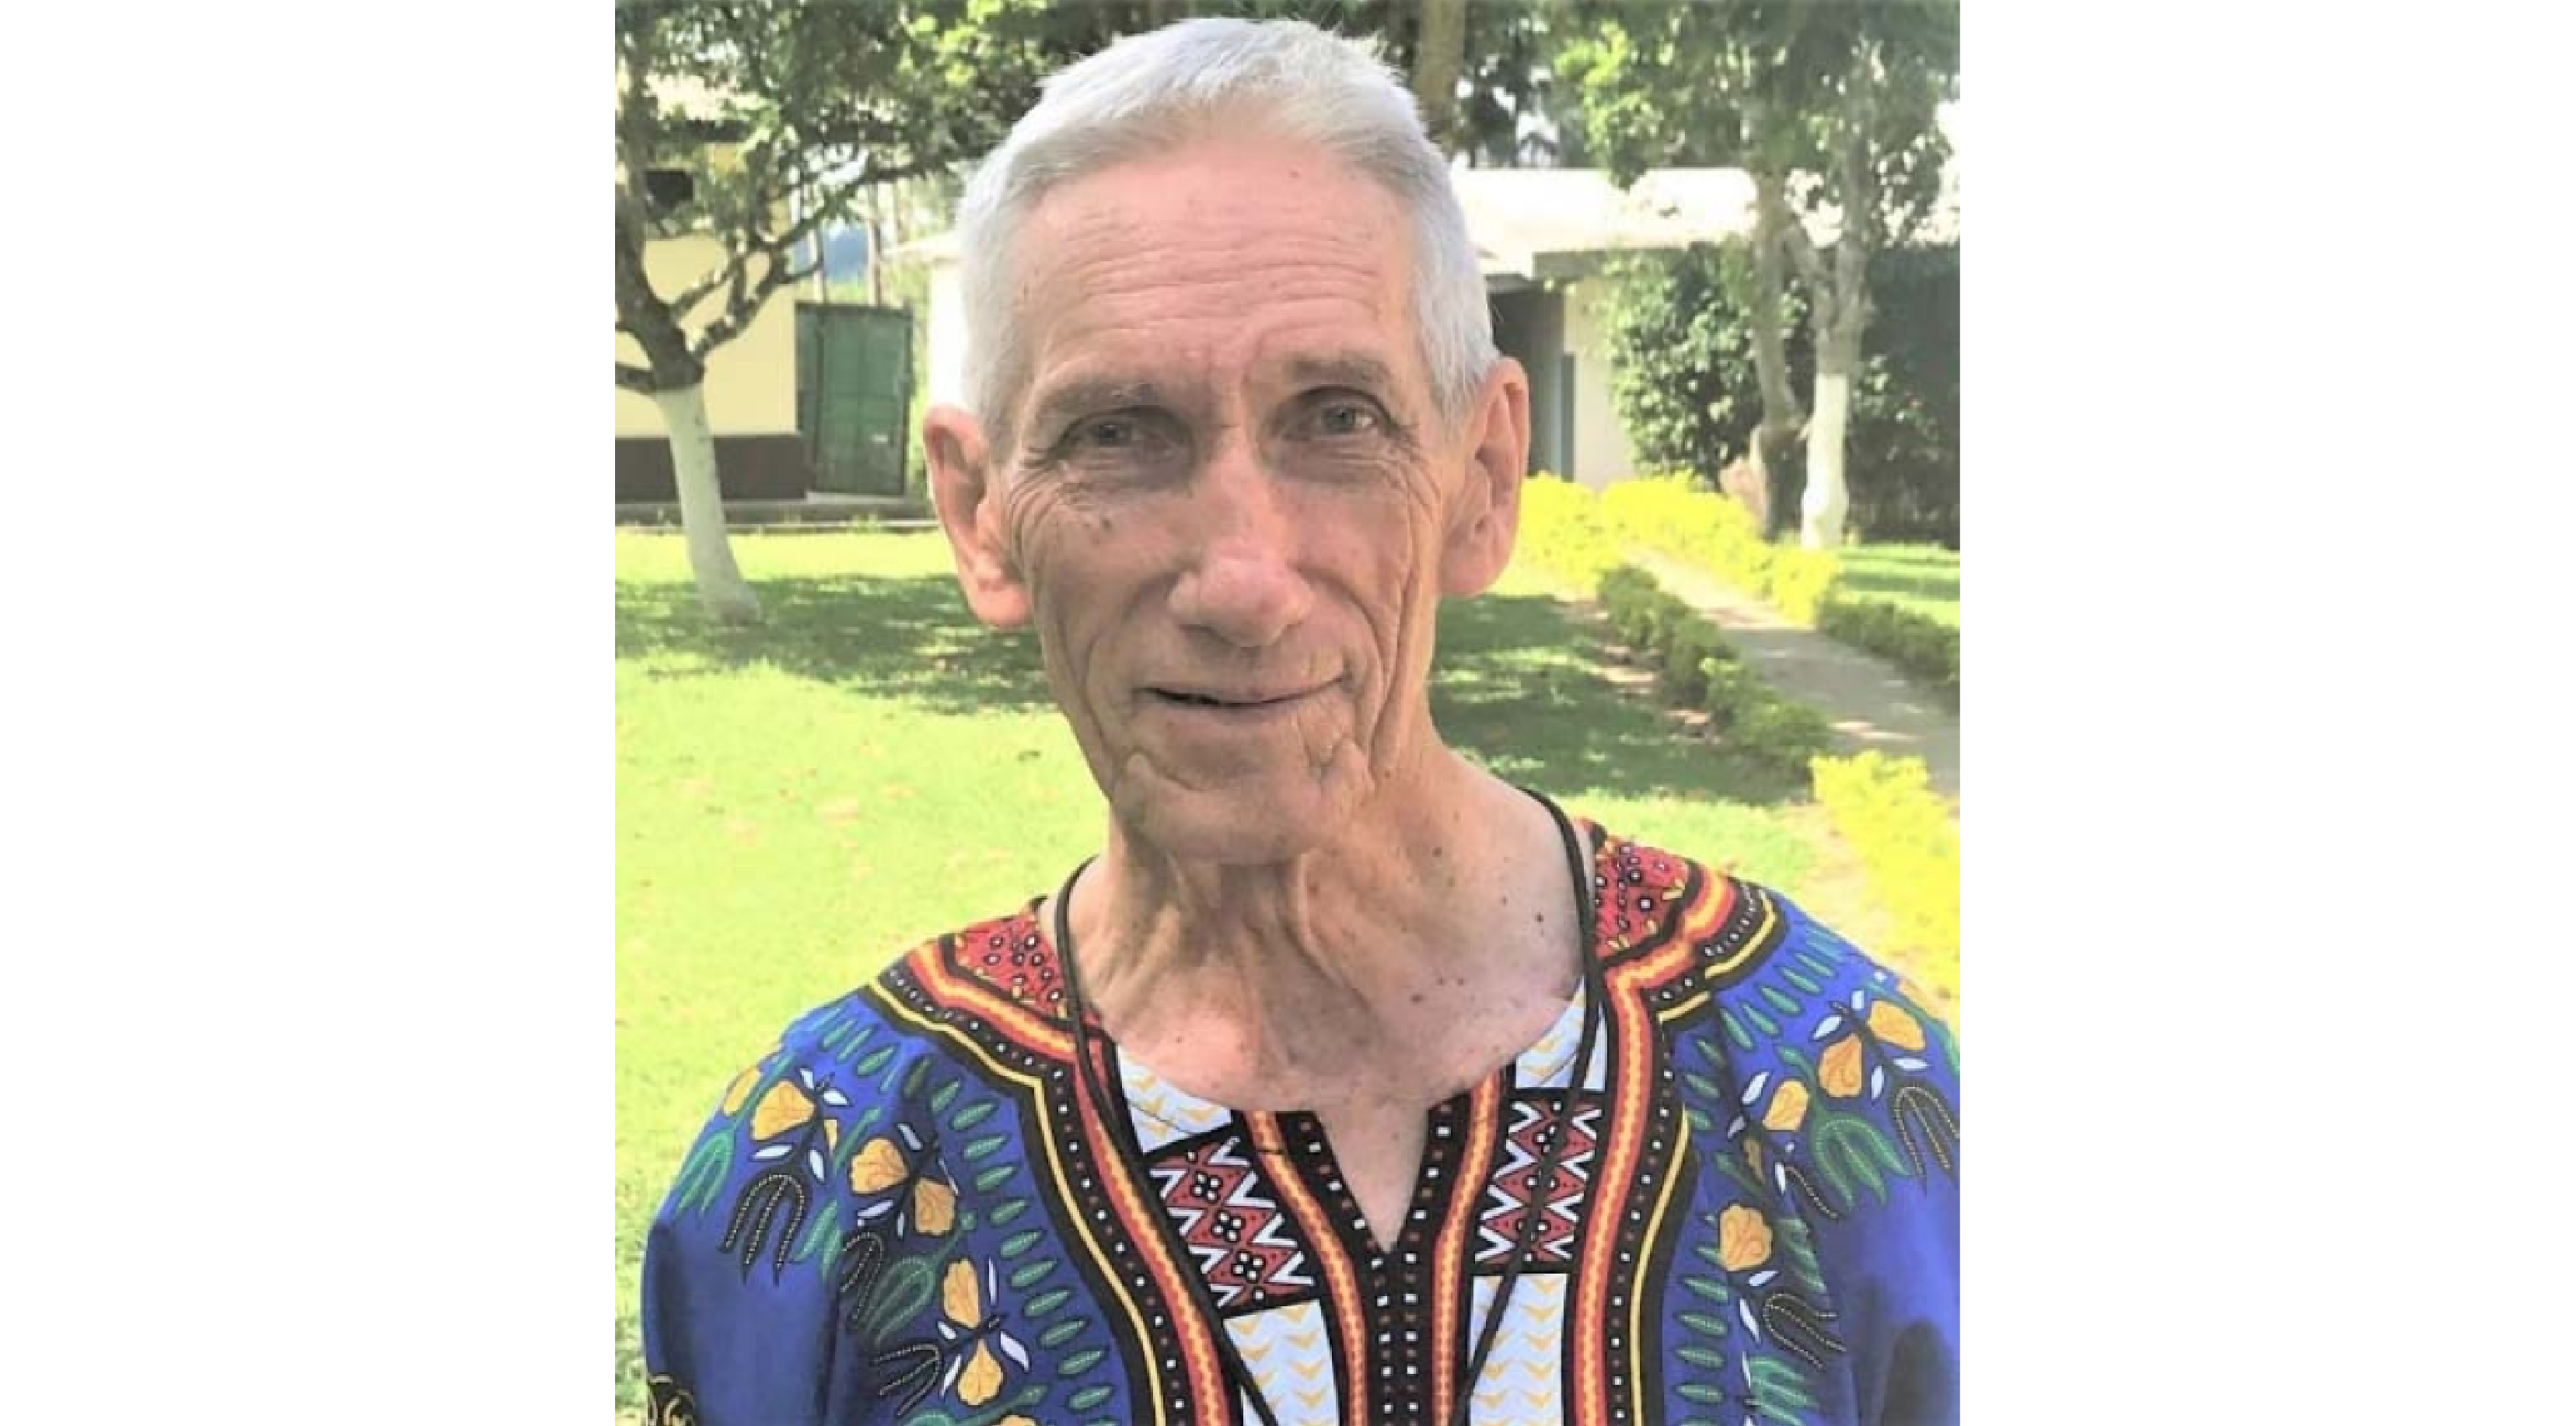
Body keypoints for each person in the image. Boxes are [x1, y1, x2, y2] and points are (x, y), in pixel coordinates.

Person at [639, 17, 1958, 1425]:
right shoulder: (812, 1195)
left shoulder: (1848, 1111)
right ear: (981, 514)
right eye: (1116, 433)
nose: (1243, 580)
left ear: (1482, 476)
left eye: (1337, 420)